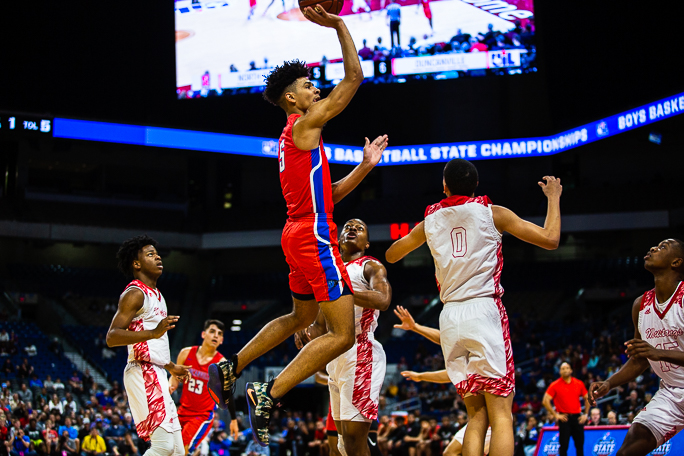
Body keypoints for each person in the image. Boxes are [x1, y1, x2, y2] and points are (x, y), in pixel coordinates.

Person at [207, 7, 388, 448]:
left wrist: (365, 167)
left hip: (296, 233)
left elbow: (332, 195)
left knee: (302, 316)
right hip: (315, 236)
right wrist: (340, 25)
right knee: (343, 334)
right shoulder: (305, 125)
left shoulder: (301, 139)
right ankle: (268, 391)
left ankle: (232, 365)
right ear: (291, 98)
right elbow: (353, 80)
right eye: (309, 86)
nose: (317, 89)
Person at [386, 159, 562, 456]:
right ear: (476, 185)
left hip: (451, 316)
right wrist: (554, 198)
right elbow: (550, 239)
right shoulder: (493, 213)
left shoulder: (430, 219)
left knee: (475, 416)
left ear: (444, 186)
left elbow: (391, 255)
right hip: (483, 309)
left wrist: (427, 237)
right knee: (501, 415)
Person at [296, 219, 391, 456]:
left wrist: (344, 290)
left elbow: (383, 299)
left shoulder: (370, 266)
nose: (352, 230)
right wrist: (303, 331)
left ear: (367, 243)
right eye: (347, 227)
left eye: (359, 229)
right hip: (335, 357)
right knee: (341, 445)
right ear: (338, 239)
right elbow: (319, 325)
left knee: (354, 440)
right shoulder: (331, 273)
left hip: (361, 351)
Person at [589, 239, 684, 456]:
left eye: (662, 247)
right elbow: (640, 359)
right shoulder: (641, 305)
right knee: (626, 452)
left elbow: (651, 353)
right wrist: (609, 383)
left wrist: (658, 353)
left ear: (676, 262)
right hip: (671, 394)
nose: (652, 248)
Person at [106, 235, 190, 456]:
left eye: (157, 253)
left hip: (158, 372)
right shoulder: (135, 293)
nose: (158, 257)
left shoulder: (158, 296)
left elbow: (156, 345)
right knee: (164, 446)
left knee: (178, 452)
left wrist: (171, 367)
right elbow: (112, 337)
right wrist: (153, 332)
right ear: (137, 263)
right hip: (143, 371)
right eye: (150, 254)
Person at [169, 319, 238, 455]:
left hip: (201, 416)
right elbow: (175, 378)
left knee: (181, 449)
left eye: (219, 334)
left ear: (222, 340)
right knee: (168, 447)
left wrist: (234, 419)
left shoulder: (221, 363)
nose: (216, 335)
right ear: (203, 334)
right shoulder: (186, 353)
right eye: (212, 331)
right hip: (182, 411)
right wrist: (169, 387)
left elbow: (228, 393)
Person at [542, 362, 589, 456]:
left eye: (567, 368)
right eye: (563, 368)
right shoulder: (555, 385)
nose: (565, 370)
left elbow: (587, 398)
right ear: (560, 371)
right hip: (564, 418)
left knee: (580, 446)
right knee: (563, 446)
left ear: (571, 370)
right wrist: (555, 415)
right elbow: (545, 401)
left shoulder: (578, 383)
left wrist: (586, 414)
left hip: (577, 418)